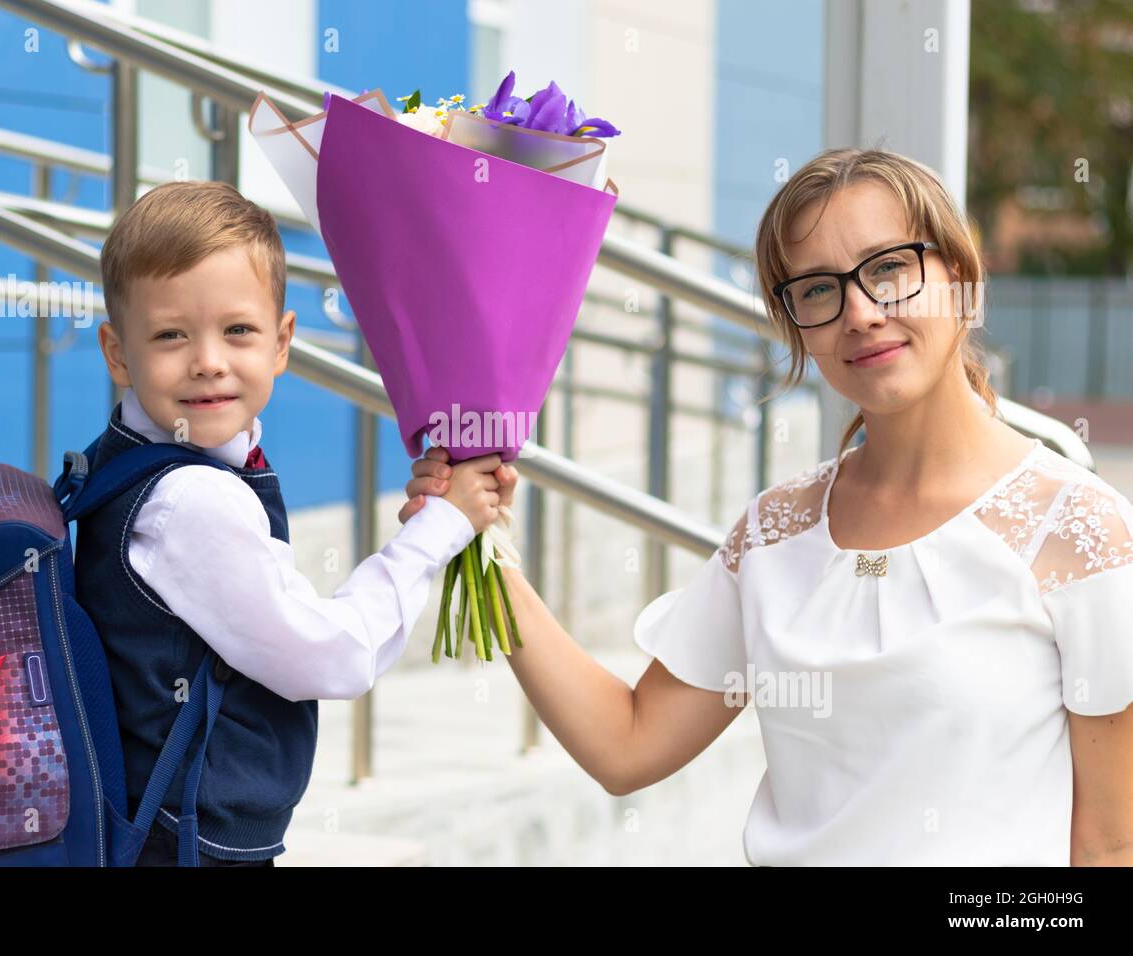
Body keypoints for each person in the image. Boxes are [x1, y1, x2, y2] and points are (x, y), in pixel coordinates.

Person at [401, 148, 1133, 866]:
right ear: (795, 326)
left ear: (961, 278)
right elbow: (627, 744)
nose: (861, 312)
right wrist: (476, 539)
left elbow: (1109, 844)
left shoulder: (1078, 530)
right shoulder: (776, 534)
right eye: (818, 290)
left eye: (889, 269)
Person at [78, 180, 504, 866]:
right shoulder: (191, 501)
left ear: (282, 343)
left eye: (237, 330)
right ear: (118, 352)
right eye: (170, 335)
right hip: (181, 845)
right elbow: (329, 655)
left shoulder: (140, 463)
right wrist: (436, 532)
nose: (209, 360)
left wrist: (441, 510)